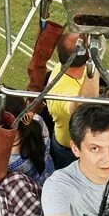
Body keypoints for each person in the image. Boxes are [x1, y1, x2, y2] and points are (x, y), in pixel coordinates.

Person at [46, 32, 99, 169]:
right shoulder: (61, 92)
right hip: (68, 151)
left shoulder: (65, 65)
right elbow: (84, 106)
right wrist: (95, 60)